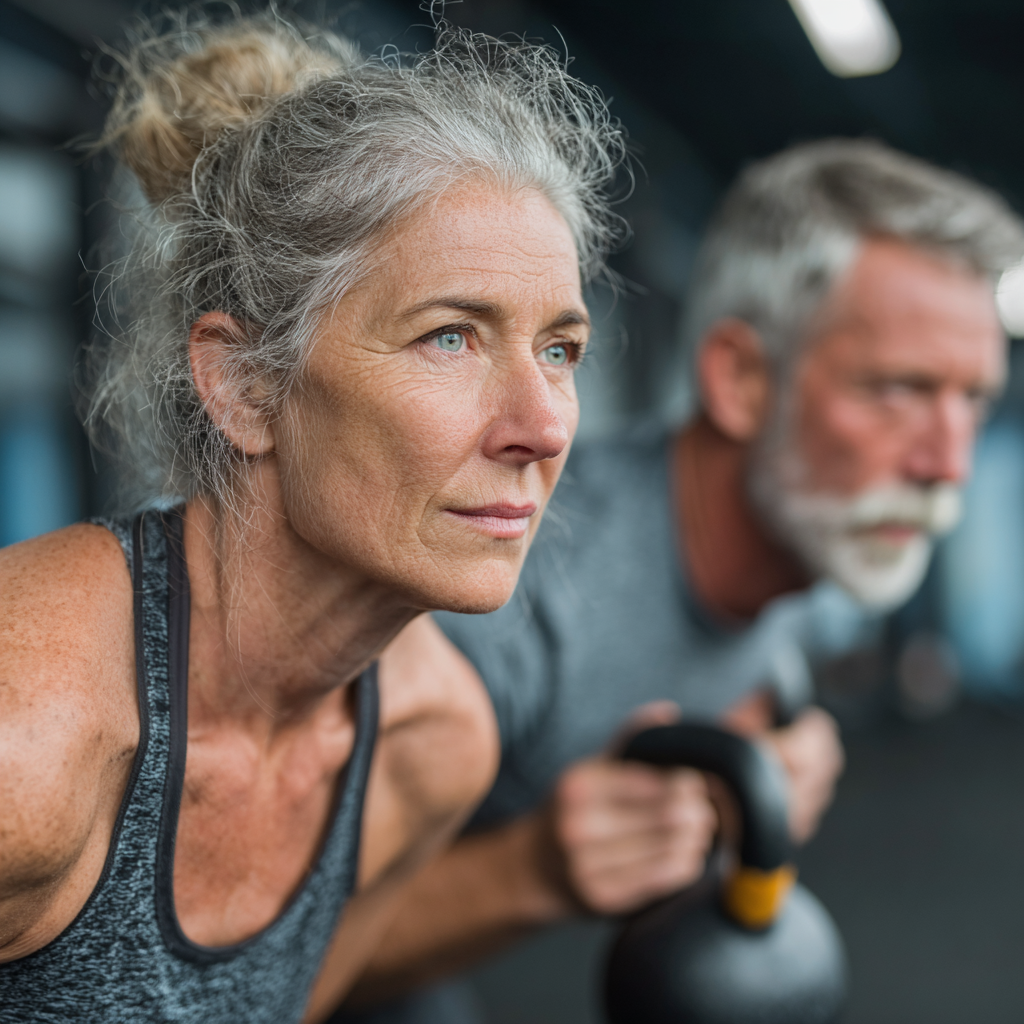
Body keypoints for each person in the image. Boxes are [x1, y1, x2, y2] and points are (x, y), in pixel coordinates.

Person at [0, 12, 628, 1023]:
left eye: (558, 349)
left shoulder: (429, 746)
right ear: (245, 385)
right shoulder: (28, 737)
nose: (543, 425)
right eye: (451, 337)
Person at [334, 139, 1024, 1021]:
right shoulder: (514, 599)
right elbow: (241, 961)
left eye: (973, 399)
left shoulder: (803, 537)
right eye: (898, 389)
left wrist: (762, 767)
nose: (949, 463)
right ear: (738, 378)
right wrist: (529, 872)